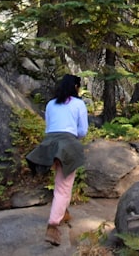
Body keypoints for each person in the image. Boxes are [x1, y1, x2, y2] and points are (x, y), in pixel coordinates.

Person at [26, 73, 89, 246]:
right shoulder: (78, 104)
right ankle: (53, 226)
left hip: (49, 145)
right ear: (76, 87)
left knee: (59, 182)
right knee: (63, 186)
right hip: (67, 145)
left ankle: (64, 212)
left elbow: (48, 128)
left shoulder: (51, 104)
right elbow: (82, 131)